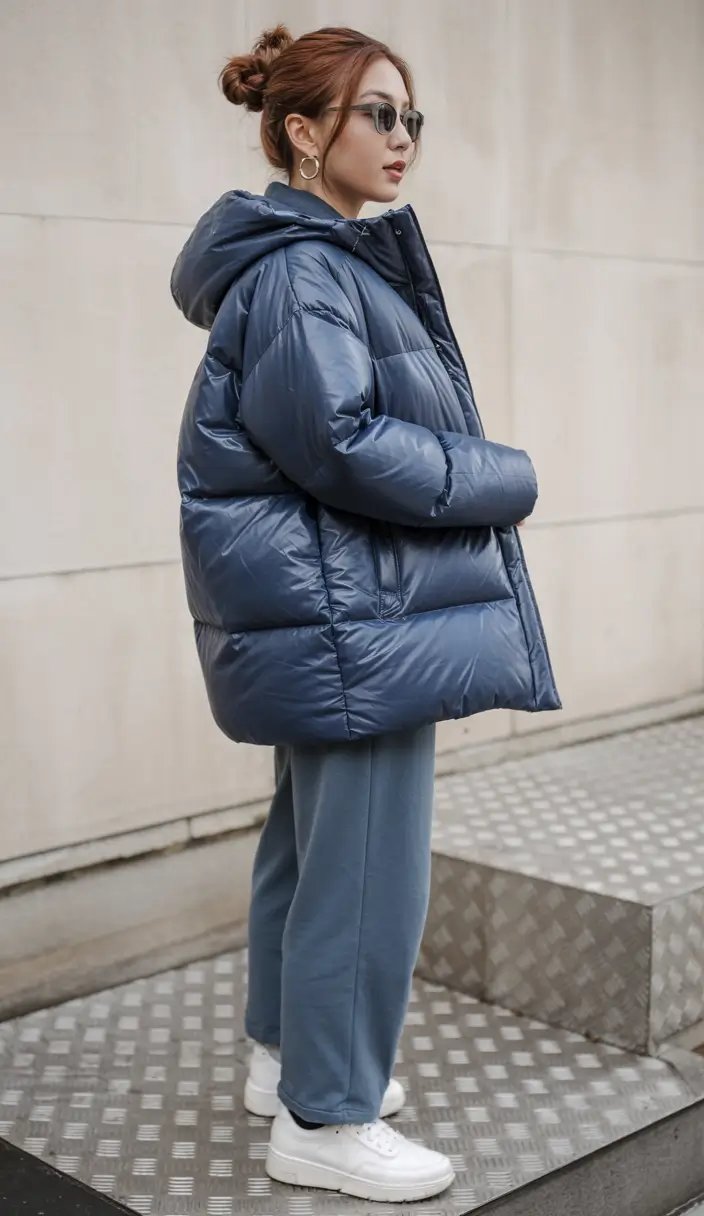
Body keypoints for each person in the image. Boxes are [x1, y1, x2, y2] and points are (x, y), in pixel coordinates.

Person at [171, 23, 560, 1204]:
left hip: (339, 605)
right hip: (355, 612)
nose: (402, 138)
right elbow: (337, 441)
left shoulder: (312, 259)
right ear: (303, 131)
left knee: (311, 837)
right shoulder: (305, 269)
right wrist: (501, 474)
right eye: (375, 114)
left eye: (411, 117)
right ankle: (327, 1119)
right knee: (366, 861)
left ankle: (286, 1056)